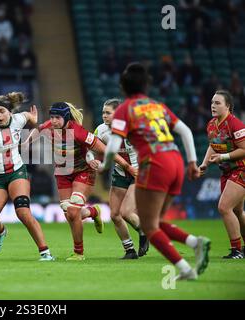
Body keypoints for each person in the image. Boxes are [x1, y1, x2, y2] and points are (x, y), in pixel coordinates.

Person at [99, 62, 210, 280]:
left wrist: (104, 165)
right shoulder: (156, 106)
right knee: (155, 222)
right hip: (175, 159)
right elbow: (186, 131)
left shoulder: (125, 109)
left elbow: (112, 145)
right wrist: (192, 163)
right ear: (146, 85)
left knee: (149, 226)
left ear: (123, 86)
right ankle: (189, 264)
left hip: (155, 163)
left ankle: (194, 247)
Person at [26, 102, 137, 261]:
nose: (54, 121)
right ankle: (93, 212)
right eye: (52, 117)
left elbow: (107, 150)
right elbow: (37, 131)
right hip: (63, 174)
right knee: (69, 214)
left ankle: (79, 253)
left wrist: (127, 167)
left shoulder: (79, 132)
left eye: (58, 117)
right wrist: (24, 143)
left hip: (83, 172)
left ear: (65, 117)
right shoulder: (50, 125)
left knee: (72, 212)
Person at [0, 92, 54, 261]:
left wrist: (33, 118)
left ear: (9, 112)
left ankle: (45, 253)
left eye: (1, 111)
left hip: (16, 172)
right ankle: (1, 231)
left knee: (23, 212)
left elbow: (28, 116)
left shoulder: (19, 119)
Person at [87, 98, 149, 259]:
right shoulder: (100, 130)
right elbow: (90, 150)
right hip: (121, 173)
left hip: (139, 173)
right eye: (103, 113)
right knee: (114, 214)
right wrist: (91, 159)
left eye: (108, 113)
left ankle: (145, 232)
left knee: (127, 212)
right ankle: (129, 251)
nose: (104, 116)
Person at [197, 90, 245, 259]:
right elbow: (213, 145)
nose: (213, 106)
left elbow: (244, 149)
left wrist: (223, 157)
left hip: (241, 170)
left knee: (224, 207)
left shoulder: (235, 124)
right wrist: (204, 163)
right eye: (212, 102)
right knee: (237, 211)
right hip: (226, 172)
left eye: (217, 103)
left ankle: (236, 250)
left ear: (228, 107)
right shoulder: (211, 124)